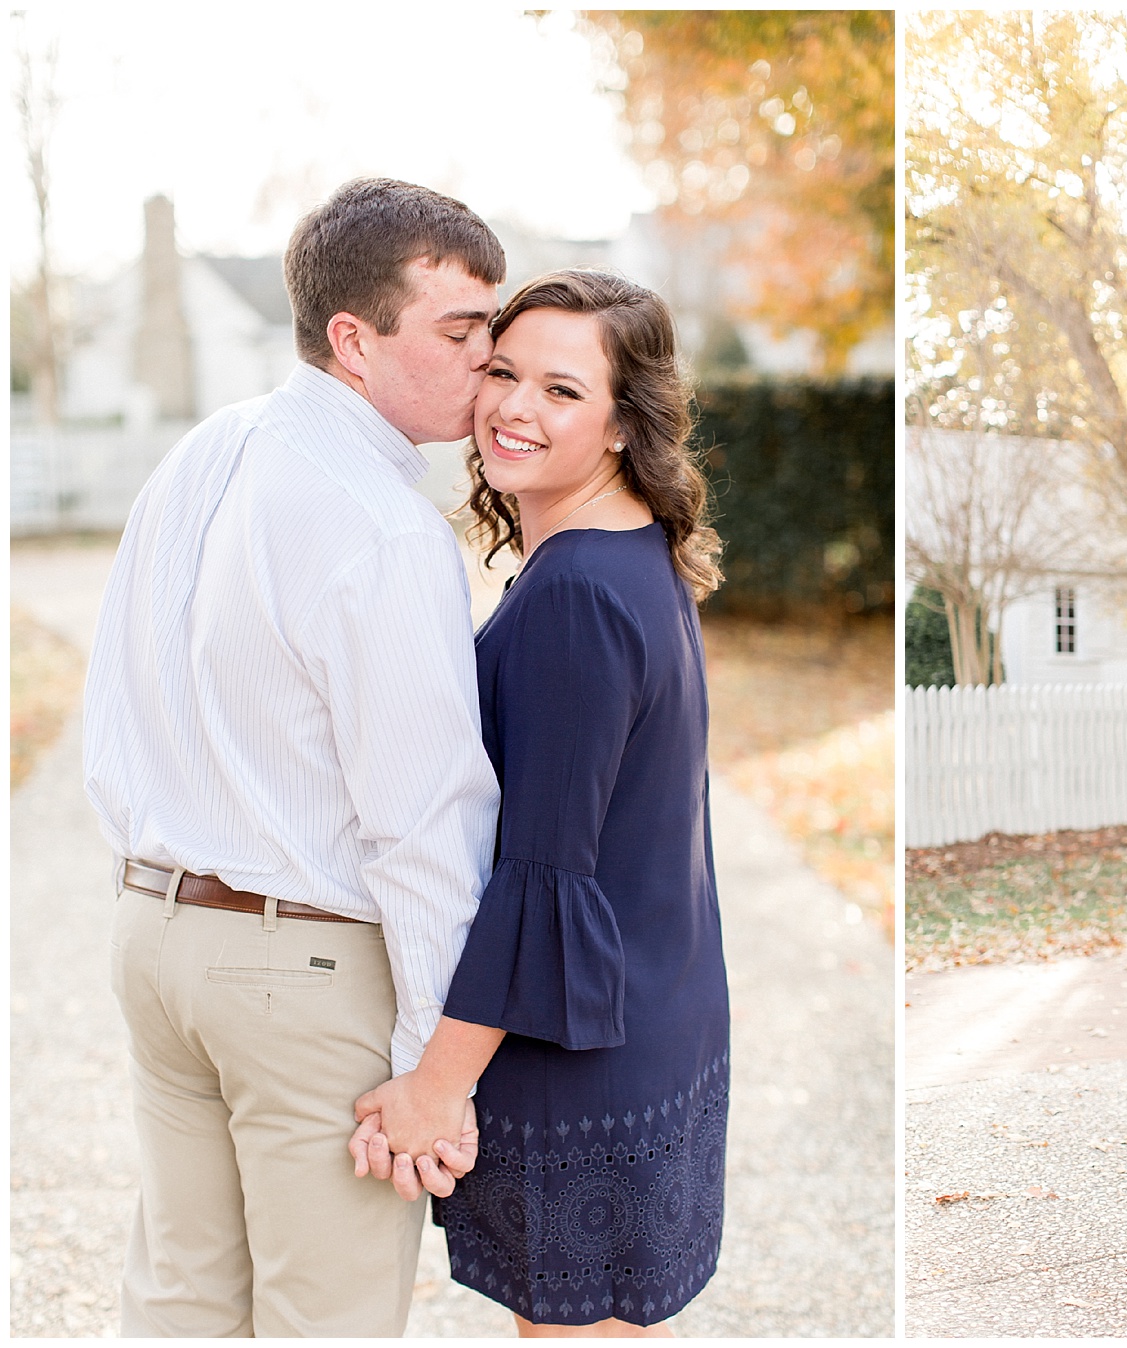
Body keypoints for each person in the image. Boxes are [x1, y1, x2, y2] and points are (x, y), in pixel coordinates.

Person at [84, 178, 505, 1335]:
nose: (491, 361)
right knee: (330, 1321)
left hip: (156, 938)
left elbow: (112, 703)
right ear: (353, 340)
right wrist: (434, 1075)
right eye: (461, 333)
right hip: (296, 970)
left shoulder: (205, 451)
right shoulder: (381, 526)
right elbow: (425, 827)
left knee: (179, 1301)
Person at [350, 269, 731, 1336]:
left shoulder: (574, 592)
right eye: (503, 373)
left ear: (621, 424)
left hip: (587, 1056)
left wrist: (434, 1085)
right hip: (656, 1016)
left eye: (563, 390)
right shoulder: (626, 552)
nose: (515, 407)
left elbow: (542, 879)